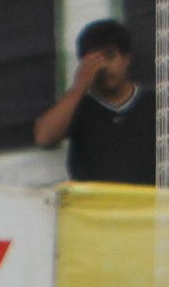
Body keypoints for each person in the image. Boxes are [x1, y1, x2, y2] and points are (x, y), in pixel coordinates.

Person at [33, 16, 154, 183]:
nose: (103, 66)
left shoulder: (153, 105)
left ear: (126, 58)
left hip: (143, 199)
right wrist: (79, 86)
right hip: (90, 199)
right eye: (95, 60)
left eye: (109, 56)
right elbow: (44, 137)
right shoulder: (78, 106)